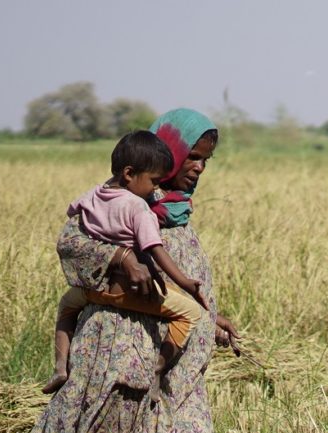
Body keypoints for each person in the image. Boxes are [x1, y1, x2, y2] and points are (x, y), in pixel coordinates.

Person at [22, 108, 237, 433]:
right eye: (192, 156)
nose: (199, 168)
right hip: (123, 347)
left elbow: (180, 276)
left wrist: (213, 317)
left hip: (177, 360)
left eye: (206, 159)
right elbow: (70, 243)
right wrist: (121, 257)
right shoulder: (125, 204)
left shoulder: (175, 210)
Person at [44, 129, 208, 394]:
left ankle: (61, 367)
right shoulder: (139, 207)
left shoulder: (94, 194)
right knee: (190, 313)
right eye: (154, 181)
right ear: (129, 174)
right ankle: (158, 370)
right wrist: (184, 282)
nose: (155, 188)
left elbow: (73, 213)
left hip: (93, 290)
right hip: (129, 294)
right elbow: (155, 250)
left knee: (65, 308)